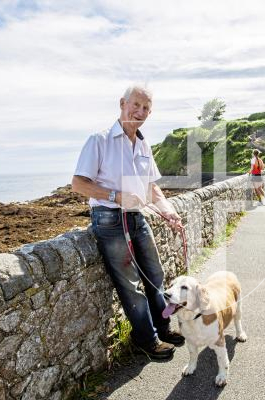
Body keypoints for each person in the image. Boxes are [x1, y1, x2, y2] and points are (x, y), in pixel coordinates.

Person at [71, 85, 184, 360]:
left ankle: (163, 327)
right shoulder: (99, 140)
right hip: (109, 220)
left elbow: (152, 188)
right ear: (122, 103)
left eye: (146, 108)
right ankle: (148, 340)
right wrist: (115, 195)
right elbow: (79, 184)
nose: (140, 112)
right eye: (136, 105)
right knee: (131, 284)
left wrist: (168, 211)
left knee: (155, 274)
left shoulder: (144, 144)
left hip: (137, 217)